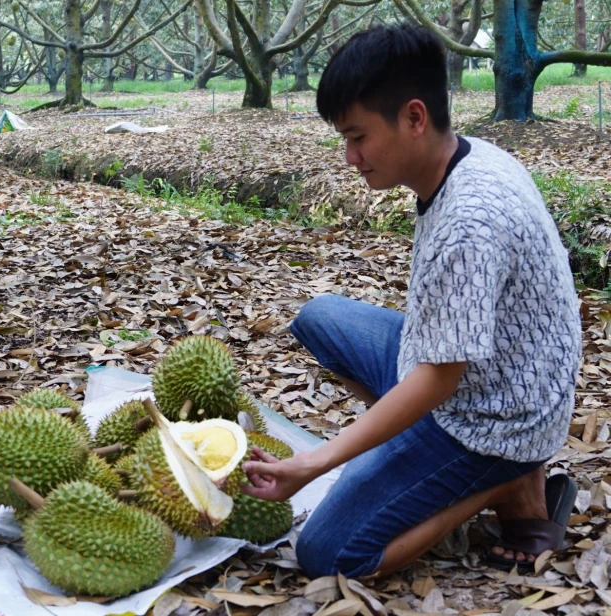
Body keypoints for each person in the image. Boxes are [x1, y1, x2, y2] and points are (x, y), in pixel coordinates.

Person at [241, 22, 582, 578]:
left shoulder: (470, 220)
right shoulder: (467, 158)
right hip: (493, 364)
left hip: (497, 416)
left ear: (414, 118)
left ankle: (502, 482)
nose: (350, 157)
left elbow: (440, 381)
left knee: (329, 553)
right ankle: (425, 467)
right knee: (319, 318)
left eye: (357, 137)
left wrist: (317, 461)